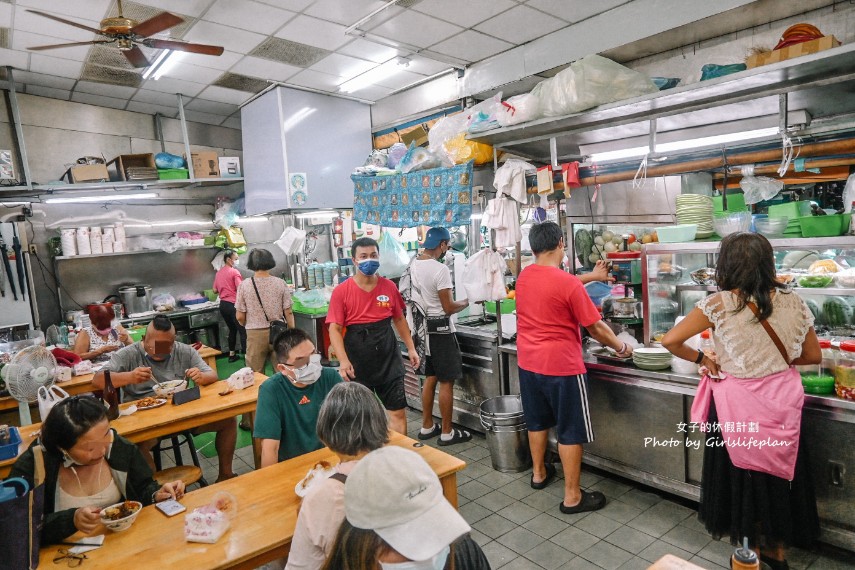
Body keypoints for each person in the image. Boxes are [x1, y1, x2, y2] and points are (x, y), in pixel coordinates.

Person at [661, 232, 821, 570]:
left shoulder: (719, 303)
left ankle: (750, 555)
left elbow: (671, 340)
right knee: (779, 474)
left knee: (744, 477)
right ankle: (777, 555)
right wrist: (776, 363)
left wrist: (703, 359)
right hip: (782, 405)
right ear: (768, 262)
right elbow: (811, 355)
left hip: (738, 407)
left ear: (726, 265)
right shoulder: (795, 301)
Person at [515, 221, 632, 515]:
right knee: (570, 430)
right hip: (561, 367)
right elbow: (595, 327)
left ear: (533, 248)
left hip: (528, 363)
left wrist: (591, 276)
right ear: (560, 244)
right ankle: (572, 497)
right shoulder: (566, 283)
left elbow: (559, 284)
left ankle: (539, 474)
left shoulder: (524, 276)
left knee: (537, 420)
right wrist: (621, 347)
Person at [10, 396, 185, 545]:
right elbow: (16, 527)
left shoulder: (119, 448)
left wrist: (157, 494)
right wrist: (71, 520)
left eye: (106, 435)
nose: (102, 451)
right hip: (62, 556)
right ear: (62, 447)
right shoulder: (35, 465)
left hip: (122, 544)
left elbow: (142, 487)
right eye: (90, 448)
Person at [92, 314, 238, 482]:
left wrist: (201, 377)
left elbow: (212, 374)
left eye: (167, 346)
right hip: (145, 421)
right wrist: (130, 377)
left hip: (183, 415)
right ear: (143, 339)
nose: (160, 352)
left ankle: (225, 475)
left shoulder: (183, 350)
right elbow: (97, 380)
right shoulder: (128, 354)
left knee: (228, 421)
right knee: (135, 445)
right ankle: (153, 491)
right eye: (155, 346)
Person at [322, 446, 489, 570]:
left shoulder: (463, 553)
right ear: (362, 544)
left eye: (435, 529)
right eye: (410, 542)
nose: (431, 553)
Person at [285, 382, 389, 570]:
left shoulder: (325, 495)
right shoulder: (401, 469)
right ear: (380, 424)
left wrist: (313, 503)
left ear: (326, 437)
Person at [327, 237, 419, 435]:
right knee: (361, 416)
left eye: (373, 255)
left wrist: (410, 347)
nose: (370, 259)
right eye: (364, 256)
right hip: (357, 358)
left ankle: (397, 458)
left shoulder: (389, 287)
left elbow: (399, 319)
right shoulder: (342, 291)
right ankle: (366, 460)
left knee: (397, 413)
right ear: (354, 260)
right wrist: (343, 361)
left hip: (388, 356)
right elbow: (334, 329)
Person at [400, 227, 471, 446]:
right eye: (446, 246)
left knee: (429, 378)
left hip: (420, 332)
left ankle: (427, 425)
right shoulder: (440, 270)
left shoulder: (412, 265)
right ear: (441, 245)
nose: (446, 250)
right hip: (440, 330)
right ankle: (447, 432)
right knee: (446, 381)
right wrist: (470, 301)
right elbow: (448, 307)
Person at [254, 329, 342, 468]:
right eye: (301, 360)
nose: (311, 364)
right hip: (292, 467)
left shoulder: (330, 377)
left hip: (331, 459)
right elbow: (270, 449)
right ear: (283, 368)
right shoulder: (271, 390)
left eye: (313, 354)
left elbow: (351, 423)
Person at [236, 248, 295, 374]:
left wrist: (249, 324)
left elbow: (240, 316)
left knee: (255, 373)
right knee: (283, 371)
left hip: (255, 333)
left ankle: (259, 394)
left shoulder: (244, 285)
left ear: (251, 264)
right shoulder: (280, 283)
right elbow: (288, 312)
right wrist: (291, 331)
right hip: (278, 332)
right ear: (270, 261)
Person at [214, 249, 247, 363]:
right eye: (236, 259)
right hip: (233, 305)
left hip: (223, 305)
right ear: (229, 260)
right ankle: (248, 359)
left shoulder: (218, 273)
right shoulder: (234, 272)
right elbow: (240, 288)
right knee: (243, 331)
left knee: (232, 330)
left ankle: (232, 355)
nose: (237, 261)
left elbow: (214, 290)